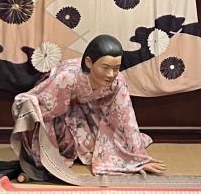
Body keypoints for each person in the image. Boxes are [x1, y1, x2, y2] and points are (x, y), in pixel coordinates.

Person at [11, 34, 167, 184]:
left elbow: (126, 117)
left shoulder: (117, 80)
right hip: (53, 109)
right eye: (105, 67)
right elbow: (43, 111)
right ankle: (40, 164)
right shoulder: (67, 77)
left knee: (98, 148)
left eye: (116, 68)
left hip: (85, 110)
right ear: (89, 62)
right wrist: (48, 154)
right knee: (50, 154)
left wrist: (137, 158)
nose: (111, 74)